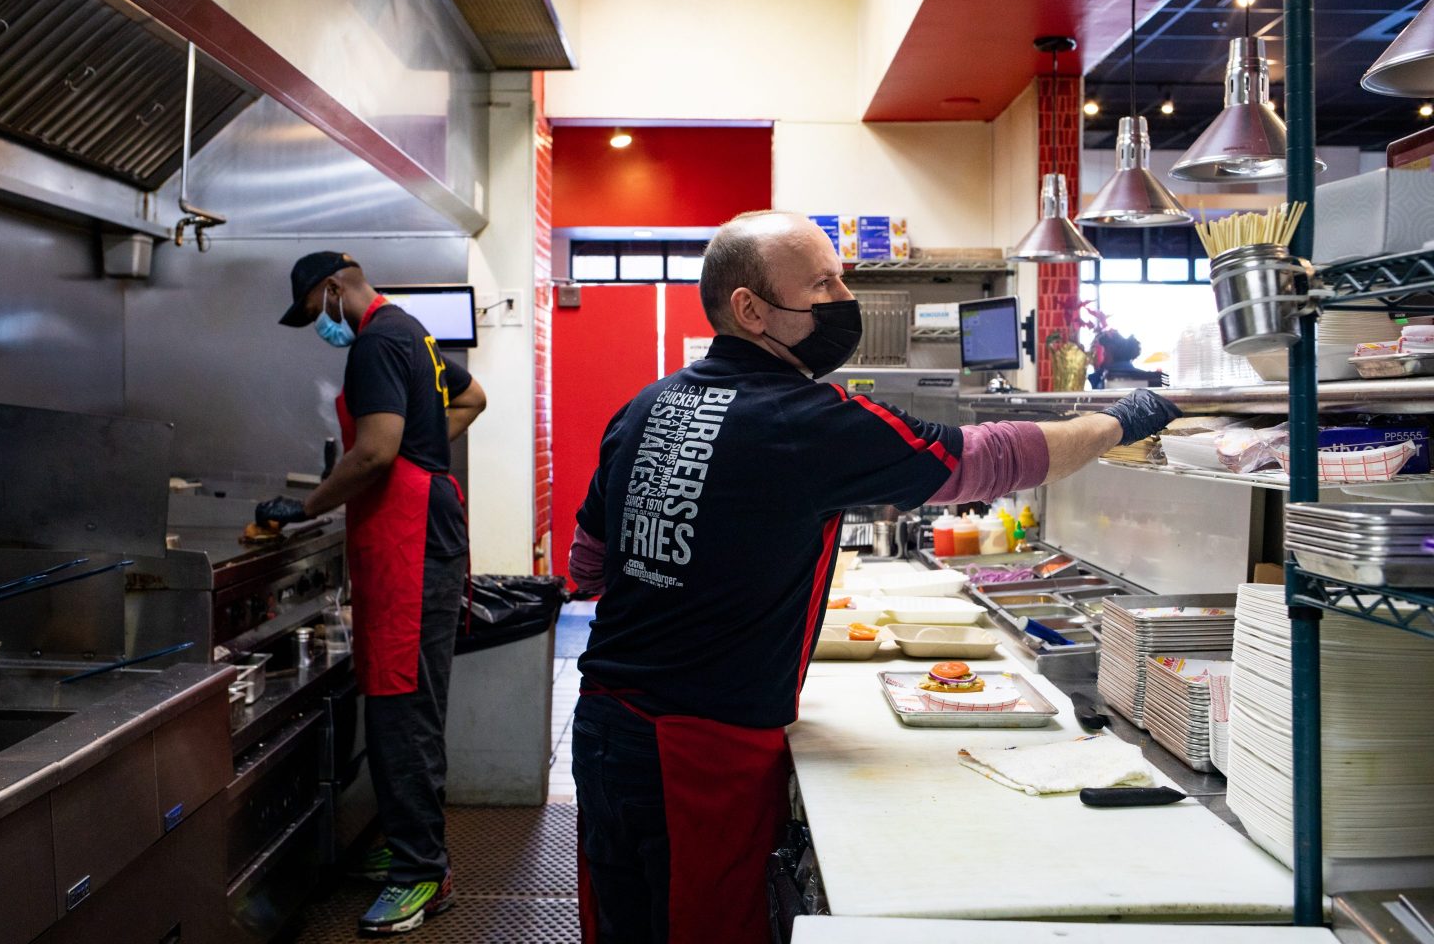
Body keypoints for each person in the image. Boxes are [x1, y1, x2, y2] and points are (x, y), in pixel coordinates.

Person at [566, 211, 1180, 944]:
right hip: (697, 750)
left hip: (603, 724)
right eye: (822, 283)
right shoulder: (802, 417)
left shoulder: (646, 404)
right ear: (750, 309)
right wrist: (1121, 419)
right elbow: (982, 460)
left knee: (622, 926)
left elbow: (589, 563)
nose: (841, 296)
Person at [256, 251, 487, 936]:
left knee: (401, 707)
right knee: (408, 702)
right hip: (417, 532)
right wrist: (425, 450)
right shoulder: (411, 331)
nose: (320, 325)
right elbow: (471, 398)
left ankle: (422, 873)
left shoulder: (376, 344)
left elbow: (374, 453)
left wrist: (307, 508)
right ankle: (412, 843)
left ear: (333, 288)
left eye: (315, 312)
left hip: (409, 540)